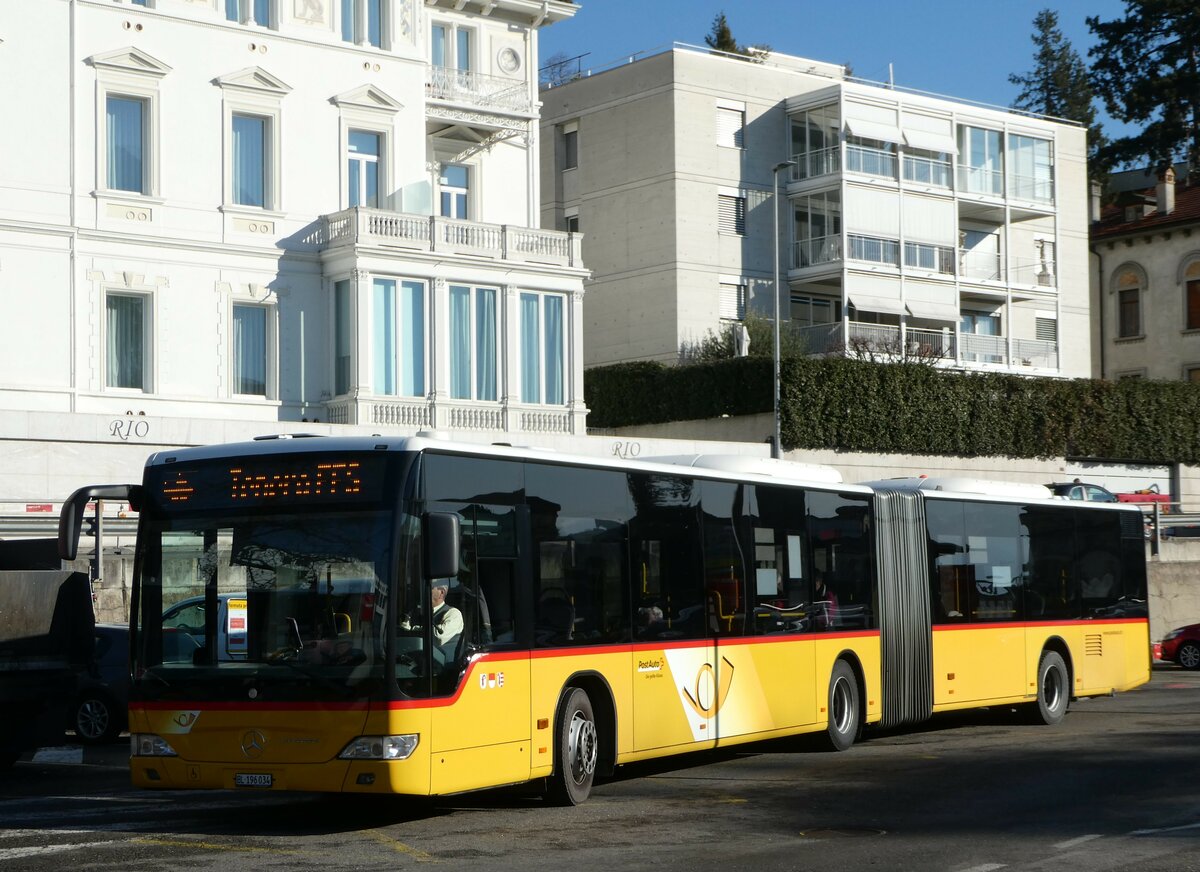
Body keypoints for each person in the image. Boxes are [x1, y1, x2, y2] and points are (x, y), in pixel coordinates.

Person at [402, 580, 463, 647]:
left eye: (429, 587)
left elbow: (438, 637)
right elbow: (404, 630)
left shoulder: (454, 613)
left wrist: (413, 630)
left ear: (441, 593)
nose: (423, 591)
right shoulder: (415, 612)